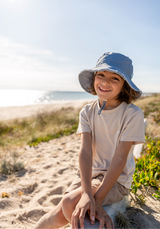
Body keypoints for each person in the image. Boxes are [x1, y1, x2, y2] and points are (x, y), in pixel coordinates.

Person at [33, 52, 145, 229]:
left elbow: (120, 158)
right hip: (88, 175)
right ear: (94, 78)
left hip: (116, 180)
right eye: (101, 75)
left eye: (115, 78)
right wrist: (86, 193)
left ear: (124, 84)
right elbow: (85, 151)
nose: (105, 82)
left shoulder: (133, 114)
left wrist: (97, 199)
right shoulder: (87, 111)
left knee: (69, 202)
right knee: (55, 215)